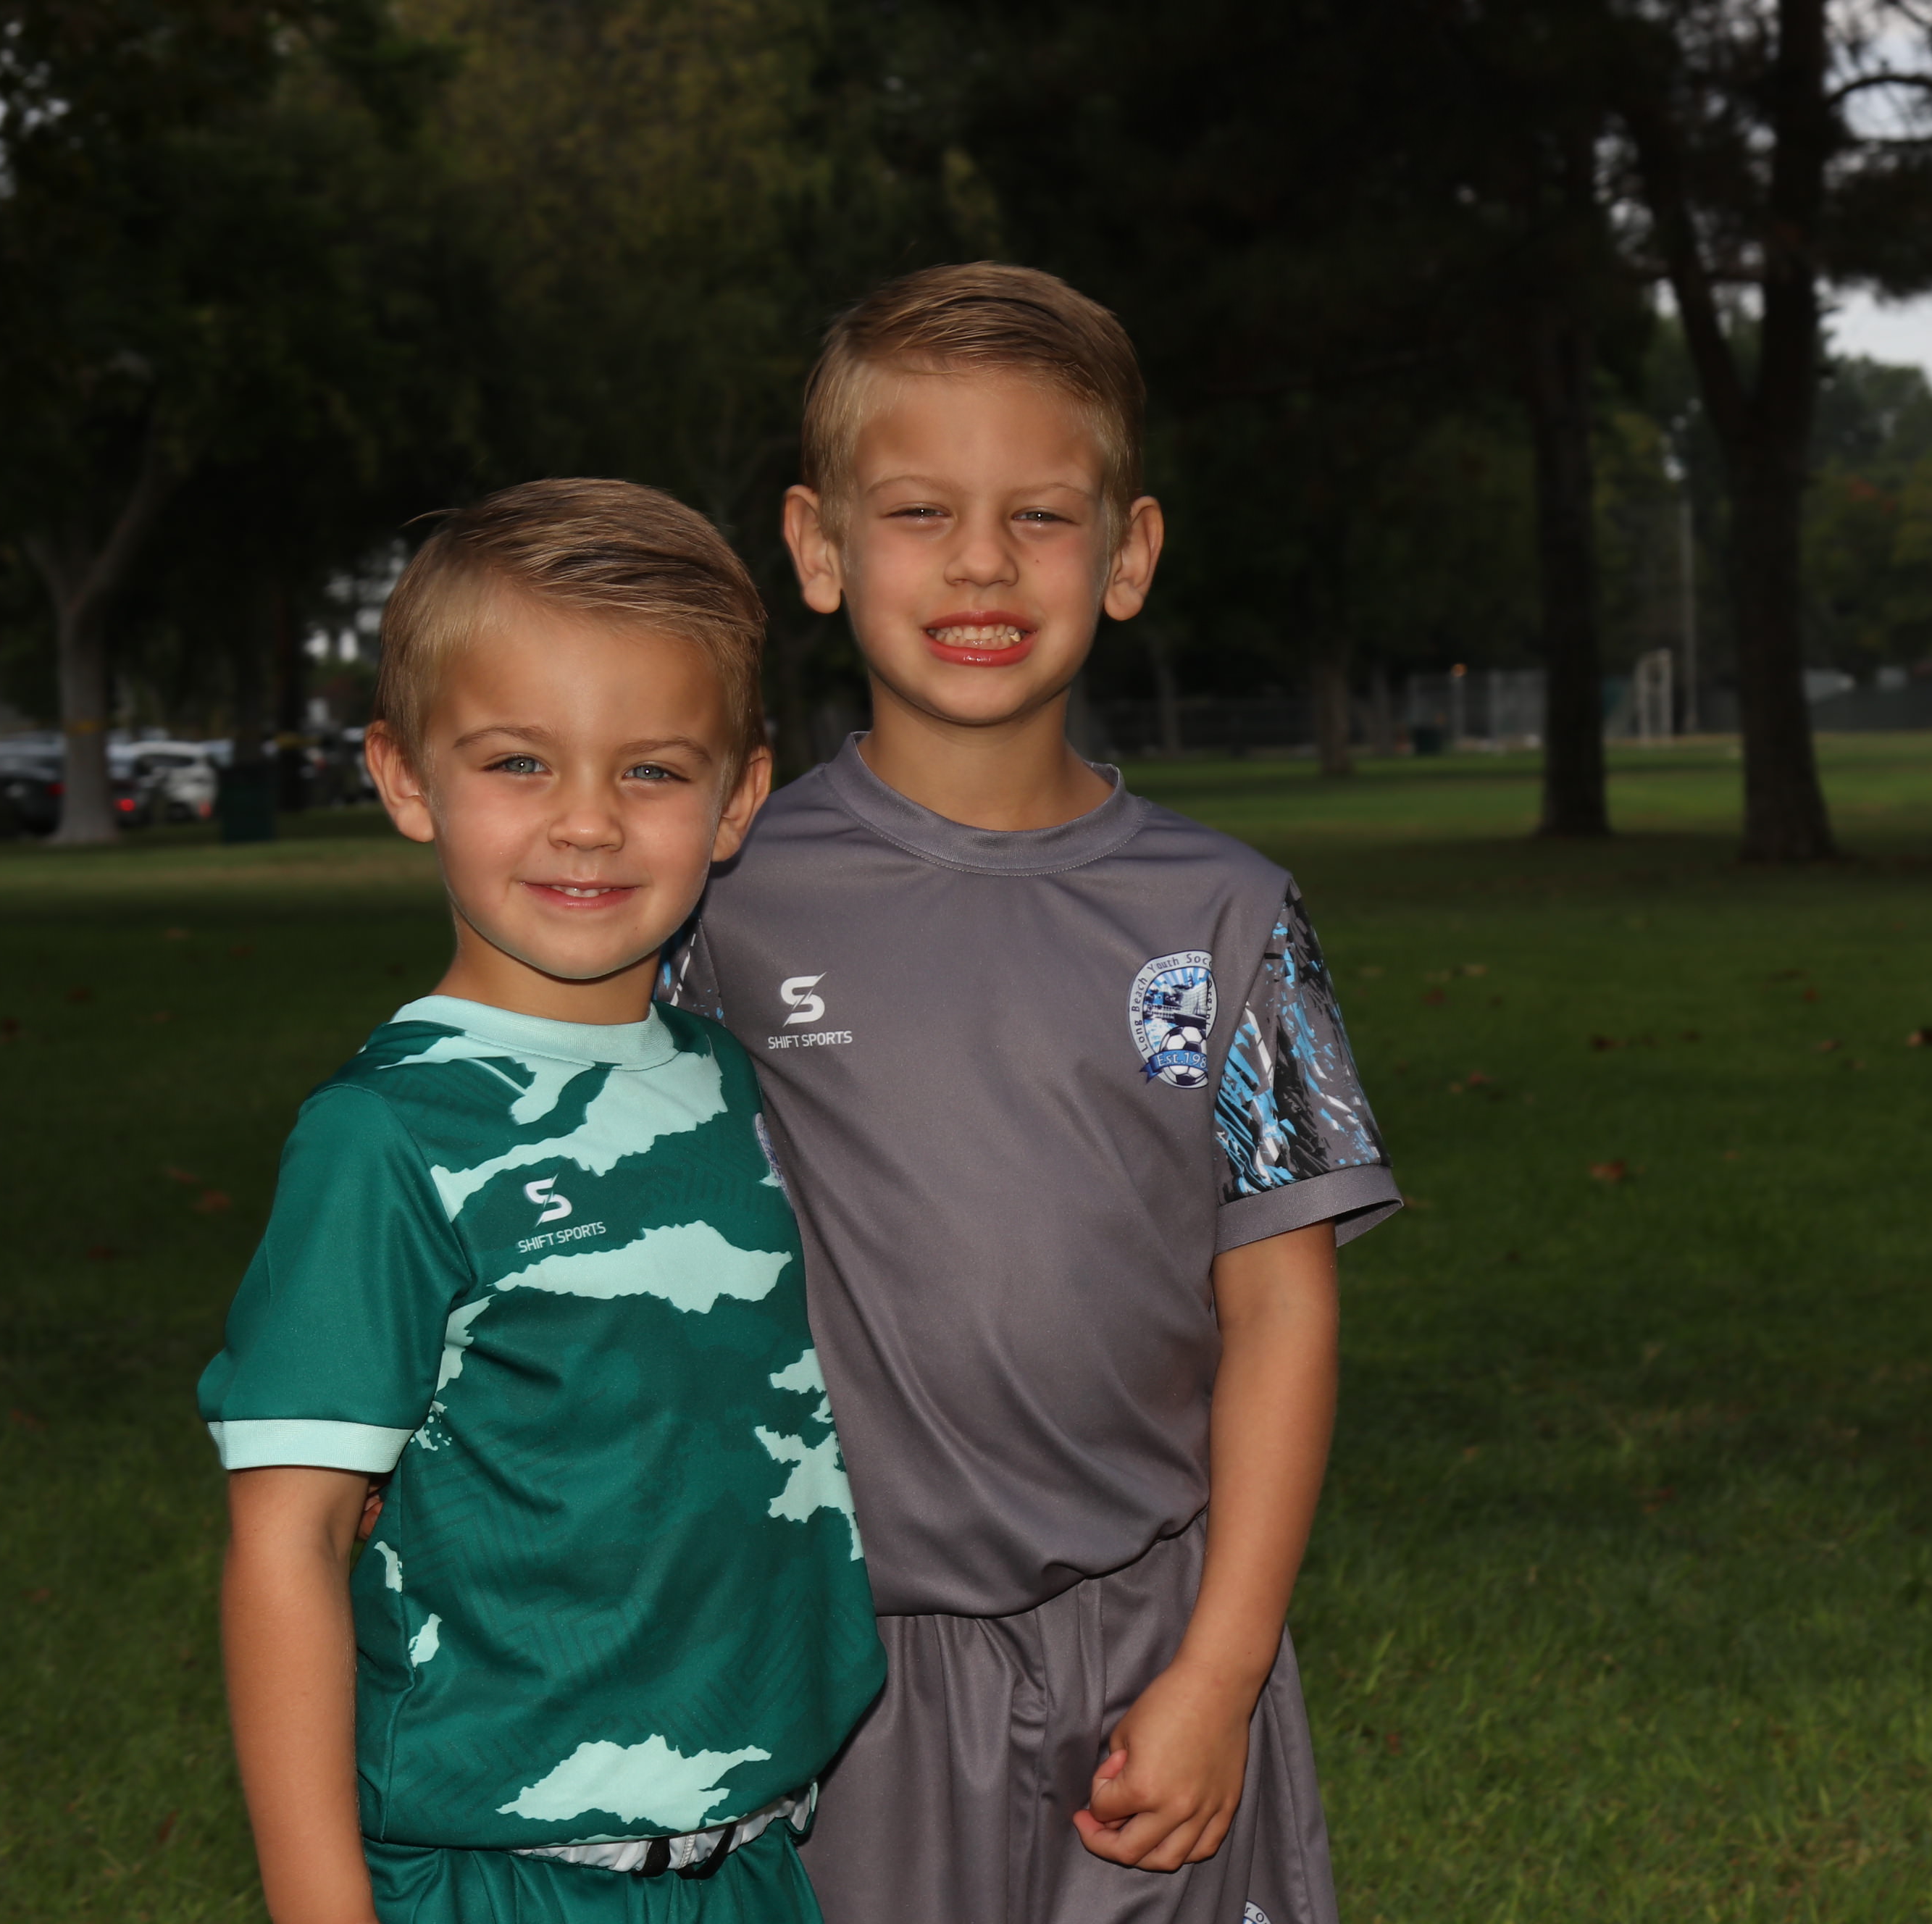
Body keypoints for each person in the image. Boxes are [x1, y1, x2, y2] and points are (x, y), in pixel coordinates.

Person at [664, 263, 1400, 1924]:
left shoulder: (1229, 916)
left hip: (1151, 1652)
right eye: (920, 510)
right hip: (827, 1665)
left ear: (1127, 554)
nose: (982, 561)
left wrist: (1222, 1667)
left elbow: (1283, 1309)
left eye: (1041, 515)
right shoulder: (721, 894)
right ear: (818, 546)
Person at [201, 480, 885, 1924]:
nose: (587, 822)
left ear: (738, 798)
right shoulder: (389, 1136)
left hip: (754, 1867)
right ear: (405, 778)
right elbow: (289, 1541)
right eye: (519, 761)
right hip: (501, 1880)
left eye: (652, 770)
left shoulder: (736, 1085)